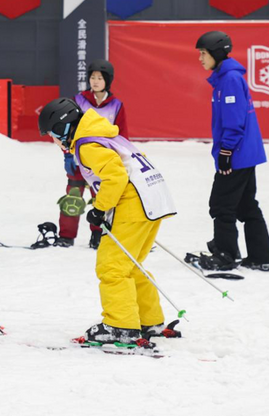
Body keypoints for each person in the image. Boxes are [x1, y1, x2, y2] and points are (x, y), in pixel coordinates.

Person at [39, 98, 177, 345]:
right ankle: (149, 321)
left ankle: (120, 325)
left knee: (111, 267)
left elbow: (115, 177)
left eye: (52, 134)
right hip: (154, 200)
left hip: (135, 204)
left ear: (63, 128)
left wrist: (100, 209)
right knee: (131, 265)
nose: (54, 141)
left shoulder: (87, 145)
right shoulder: (105, 135)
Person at [193, 31, 269, 272]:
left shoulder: (229, 79)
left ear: (216, 54)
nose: (200, 58)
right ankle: (261, 256)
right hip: (245, 152)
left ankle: (225, 254)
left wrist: (226, 152)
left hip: (238, 153)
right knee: (246, 206)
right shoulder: (225, 77)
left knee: (221, 205)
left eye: (203, 53)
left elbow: (234, 121)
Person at [56, 59, 128, 249]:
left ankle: (98, 234)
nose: (95, 81)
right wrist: (67, 154)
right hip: (79, 157)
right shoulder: (79, 100)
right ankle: (66, 235)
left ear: (108, 81)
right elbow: (66, 129)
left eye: (100, 78)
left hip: (103, 161)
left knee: (101, 197)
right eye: (92, 77)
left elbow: (122, 135)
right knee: (73, 195)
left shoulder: (116, 105)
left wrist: (120, 158)